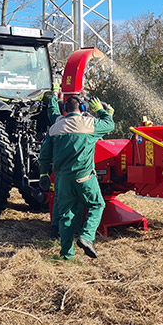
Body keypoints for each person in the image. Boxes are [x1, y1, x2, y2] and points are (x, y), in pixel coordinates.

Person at [38, 95, 115, 259]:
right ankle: (86, 237)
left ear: (65, 109)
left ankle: (66, 254)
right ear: (83, 109)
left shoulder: (55, 128)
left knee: (66, 215)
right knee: (96, 205)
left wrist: (44, 173)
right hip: (85, 177)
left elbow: (44, 156)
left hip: (63, 180)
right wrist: (103, 111)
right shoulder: (90, 125)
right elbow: (110, 125)